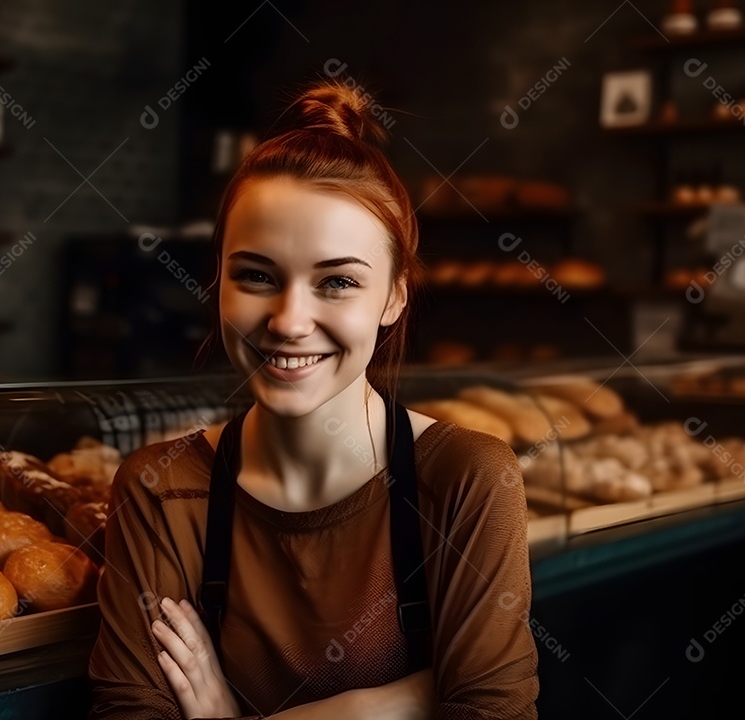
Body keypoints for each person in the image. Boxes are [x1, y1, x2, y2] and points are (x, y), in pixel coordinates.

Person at [87, 80, 539, 719]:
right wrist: (397, 705)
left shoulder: (466, 479)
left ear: (395, 295)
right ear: (218, 281)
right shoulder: (159, 491)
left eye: (338, 282)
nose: (289, 321)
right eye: (256, 276)